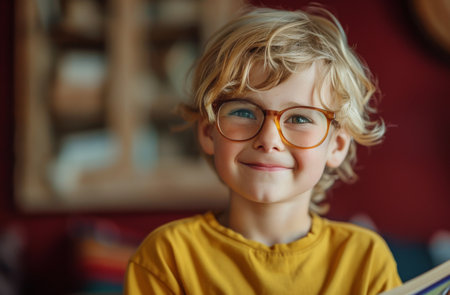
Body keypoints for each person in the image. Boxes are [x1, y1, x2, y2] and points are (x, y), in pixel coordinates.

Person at [124, 5, 402, 294]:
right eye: (244, 112)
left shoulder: (366, 259)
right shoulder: (167, 258)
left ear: (337, 146)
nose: (269, 139)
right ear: (208, 131)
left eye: (299, 118)